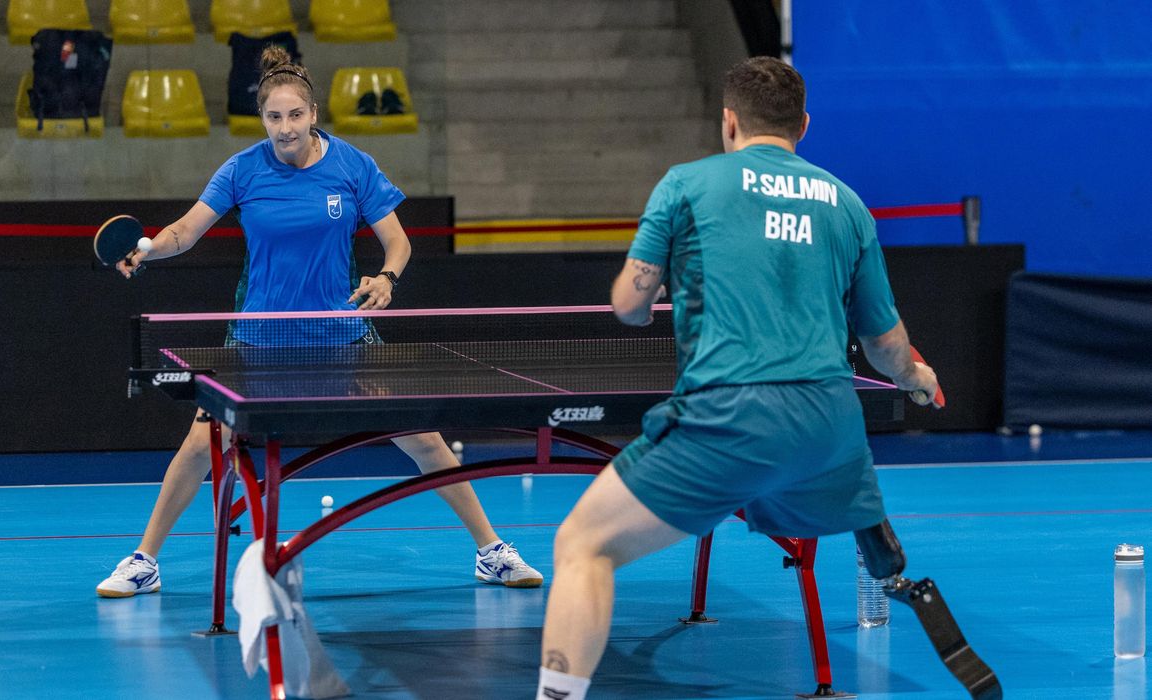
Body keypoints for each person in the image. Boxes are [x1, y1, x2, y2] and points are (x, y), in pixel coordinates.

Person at [534, 56, 940, 699]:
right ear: (803, 124)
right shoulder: (848, 204)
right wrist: (917, 376)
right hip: (830, 431)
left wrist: (657, 278)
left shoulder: (686, 184)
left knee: (582, 544)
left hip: (729, 419)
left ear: (728, 122)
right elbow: (886, 347)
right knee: (782, 498)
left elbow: (629, 308)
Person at [96, 46, 542, 598]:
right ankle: (145, 560)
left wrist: (387, 279)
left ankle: (490, 550)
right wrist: (148, 250)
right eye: (273, 117)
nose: (284, 128)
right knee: (201, 444)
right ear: (263, 119)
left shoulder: (354, 166)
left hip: (341, 334)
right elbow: (184, 231)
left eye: (294, 116)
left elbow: (397, 241)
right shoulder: (242, 169)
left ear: (313, 115)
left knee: (422, 437)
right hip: (259, 338)